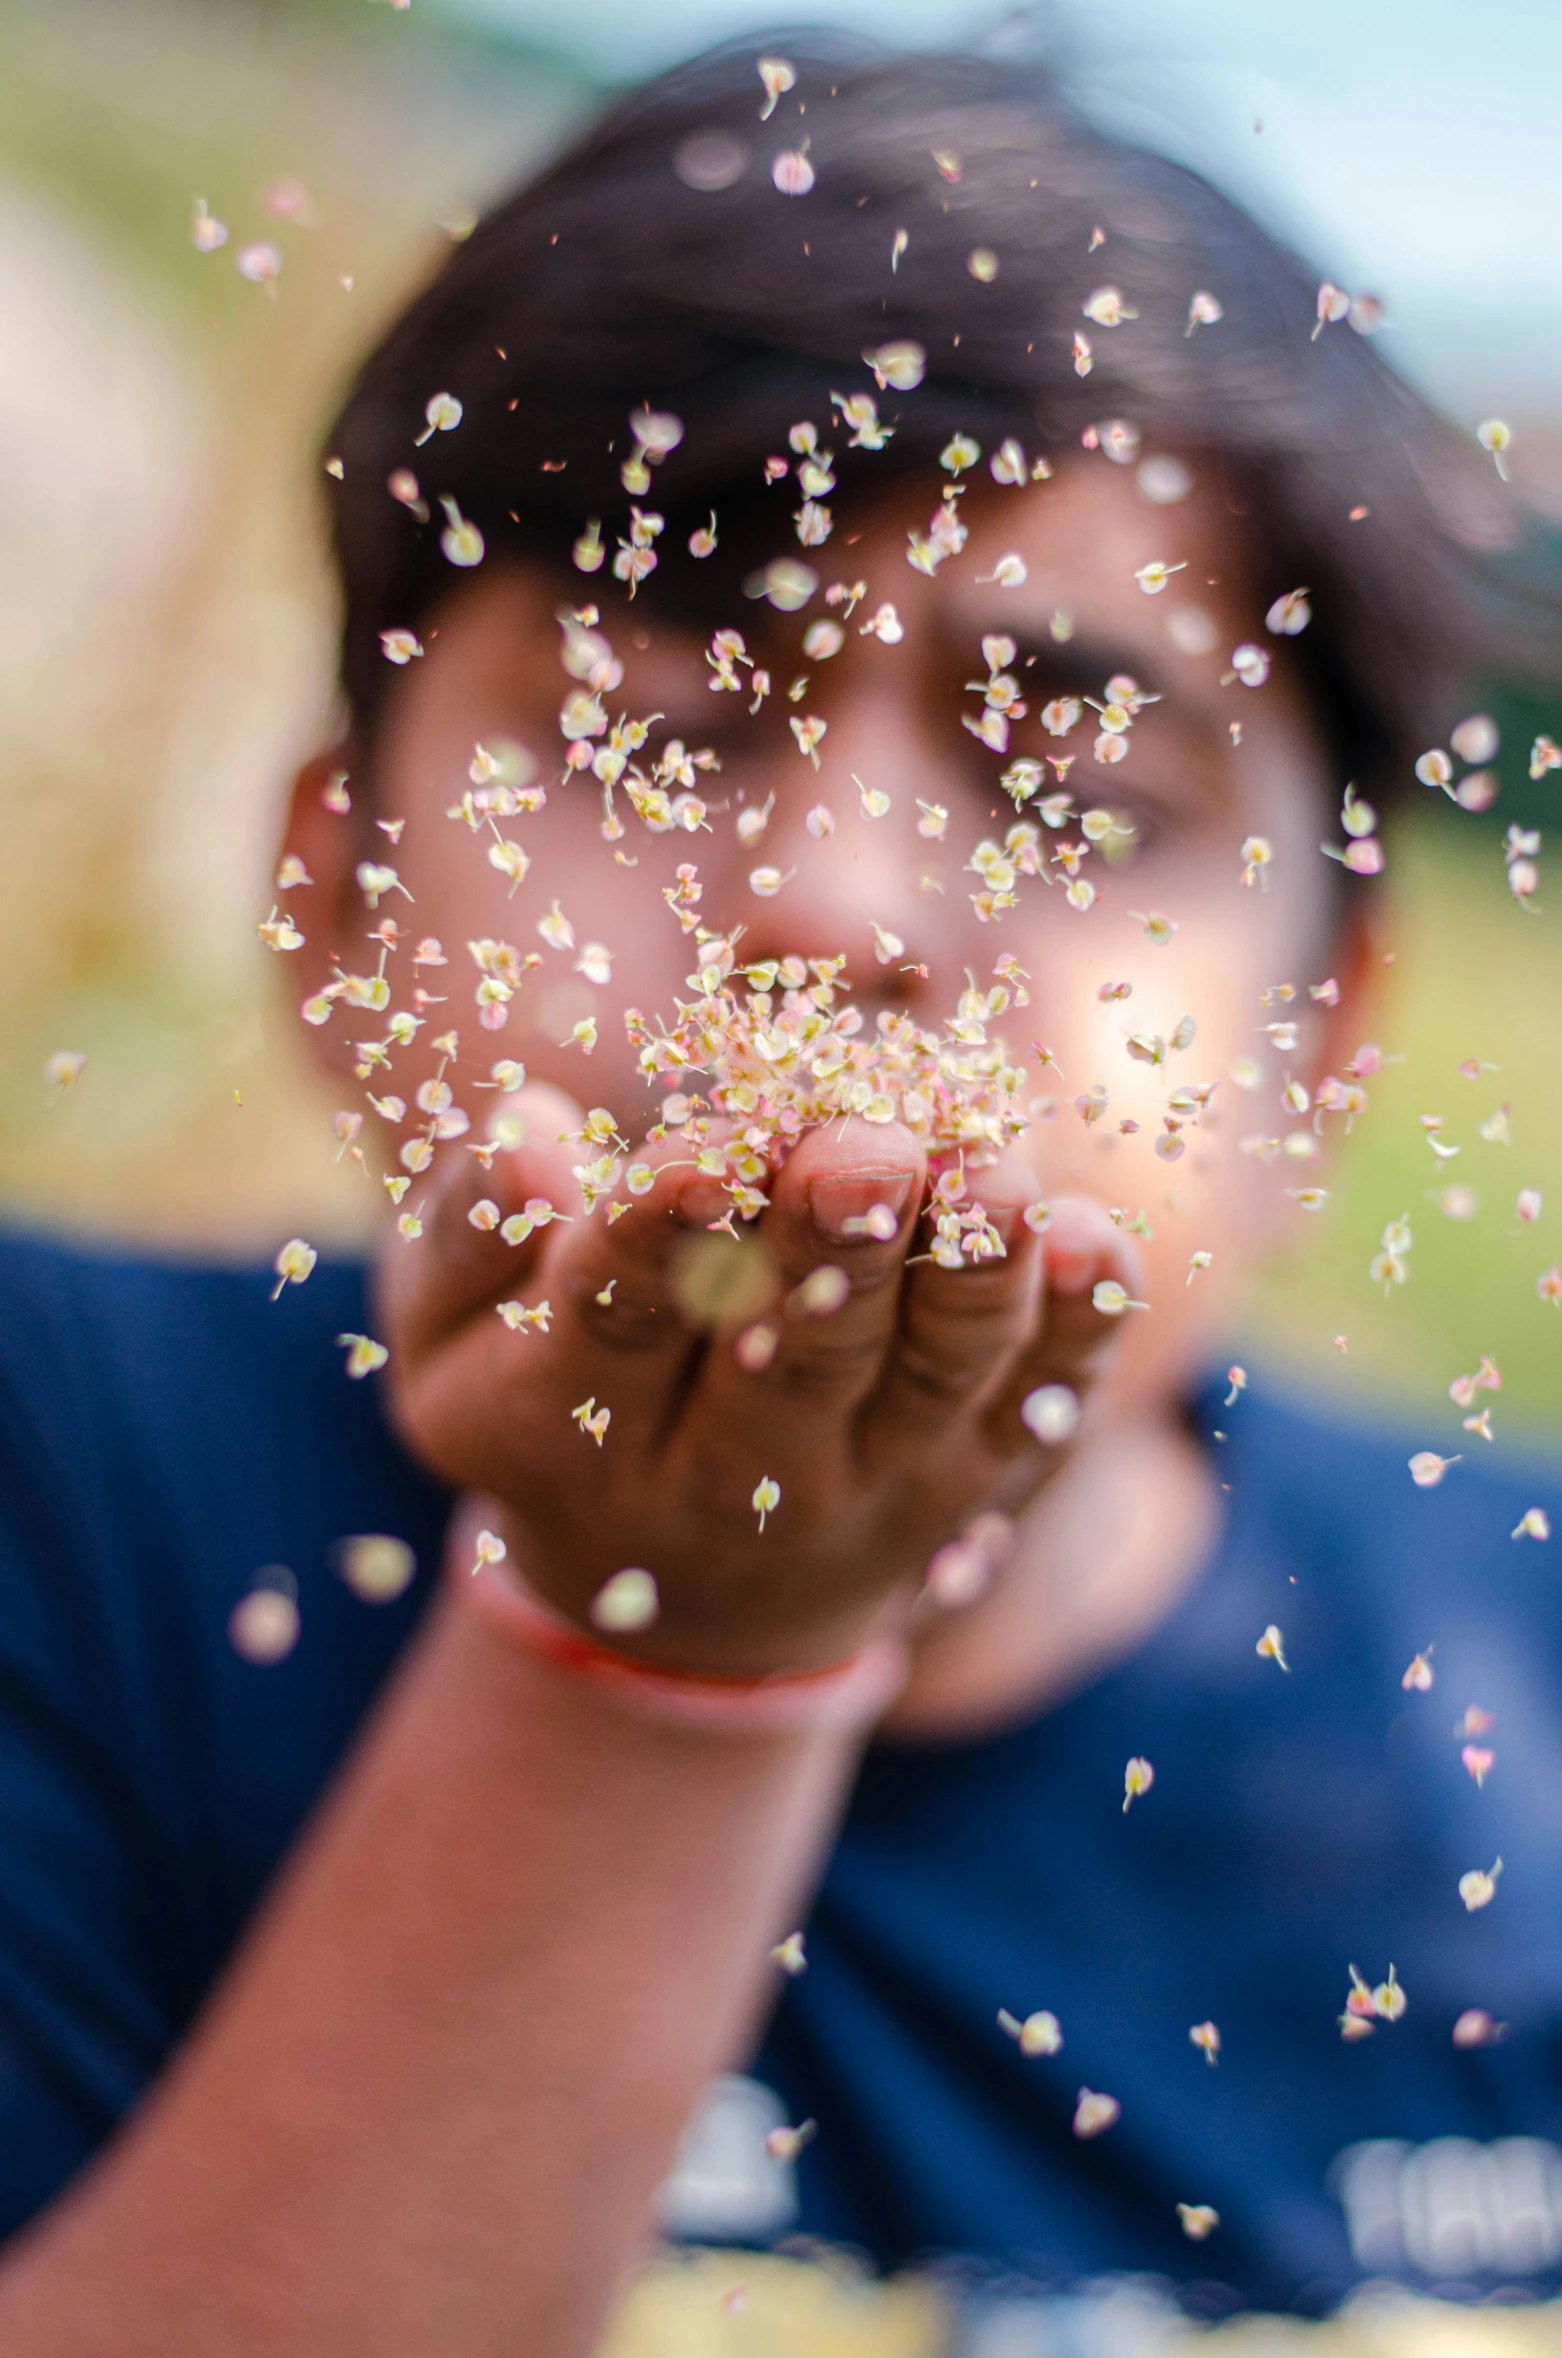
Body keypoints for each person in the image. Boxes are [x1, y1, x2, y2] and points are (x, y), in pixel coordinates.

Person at [0, 33, 1556, 2354]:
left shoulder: (1505, 1729)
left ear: (1319, 1041)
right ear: (333, 907)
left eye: (1079, 792)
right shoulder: (59, 1487)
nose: (836, 911)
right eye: (658, 727)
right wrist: (642, 1656)